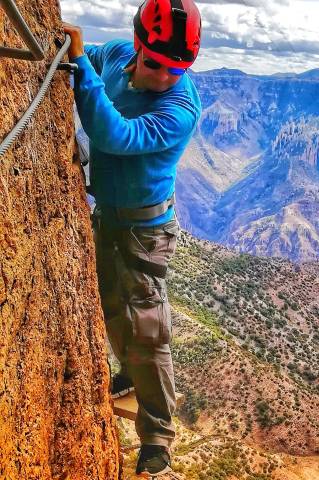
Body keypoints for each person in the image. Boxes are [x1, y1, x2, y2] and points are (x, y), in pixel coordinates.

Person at [62, 0, 202, 475]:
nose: (166, 76)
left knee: (148, 331)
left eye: (178, 68)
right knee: (111, 306)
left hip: (146, 231)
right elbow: (99, 55)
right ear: (138, 46)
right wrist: (81, 54)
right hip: (113, 216)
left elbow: (115, 135)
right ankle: (127, 376)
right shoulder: (121, 55)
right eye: (156, 64)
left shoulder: (180, 107)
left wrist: (80, 63)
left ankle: (158, 436)